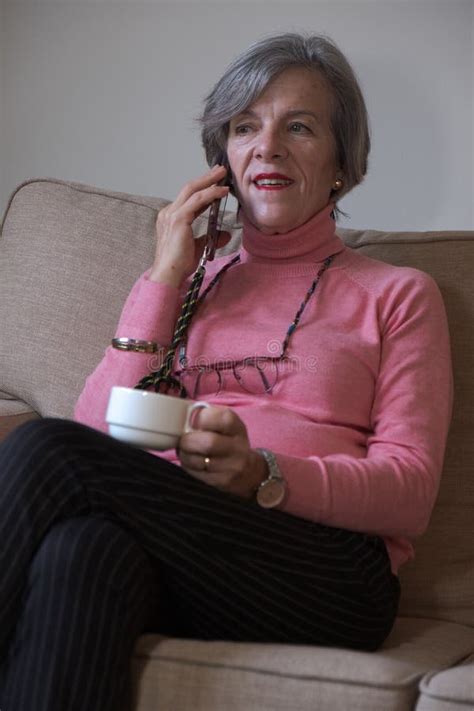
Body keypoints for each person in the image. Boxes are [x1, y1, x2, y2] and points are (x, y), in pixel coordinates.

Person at [0, 32, 452, 711]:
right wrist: (164, 274)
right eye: (246, 127)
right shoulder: (187, 283)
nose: (266, 146)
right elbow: (100, 431)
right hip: (191, 553)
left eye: (298, 126)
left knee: (41, 445)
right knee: (80, 551)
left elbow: (410, 492)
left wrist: (264, 474)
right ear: (224, 160)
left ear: (340, 161)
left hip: (329, 572)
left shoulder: (399, 294)